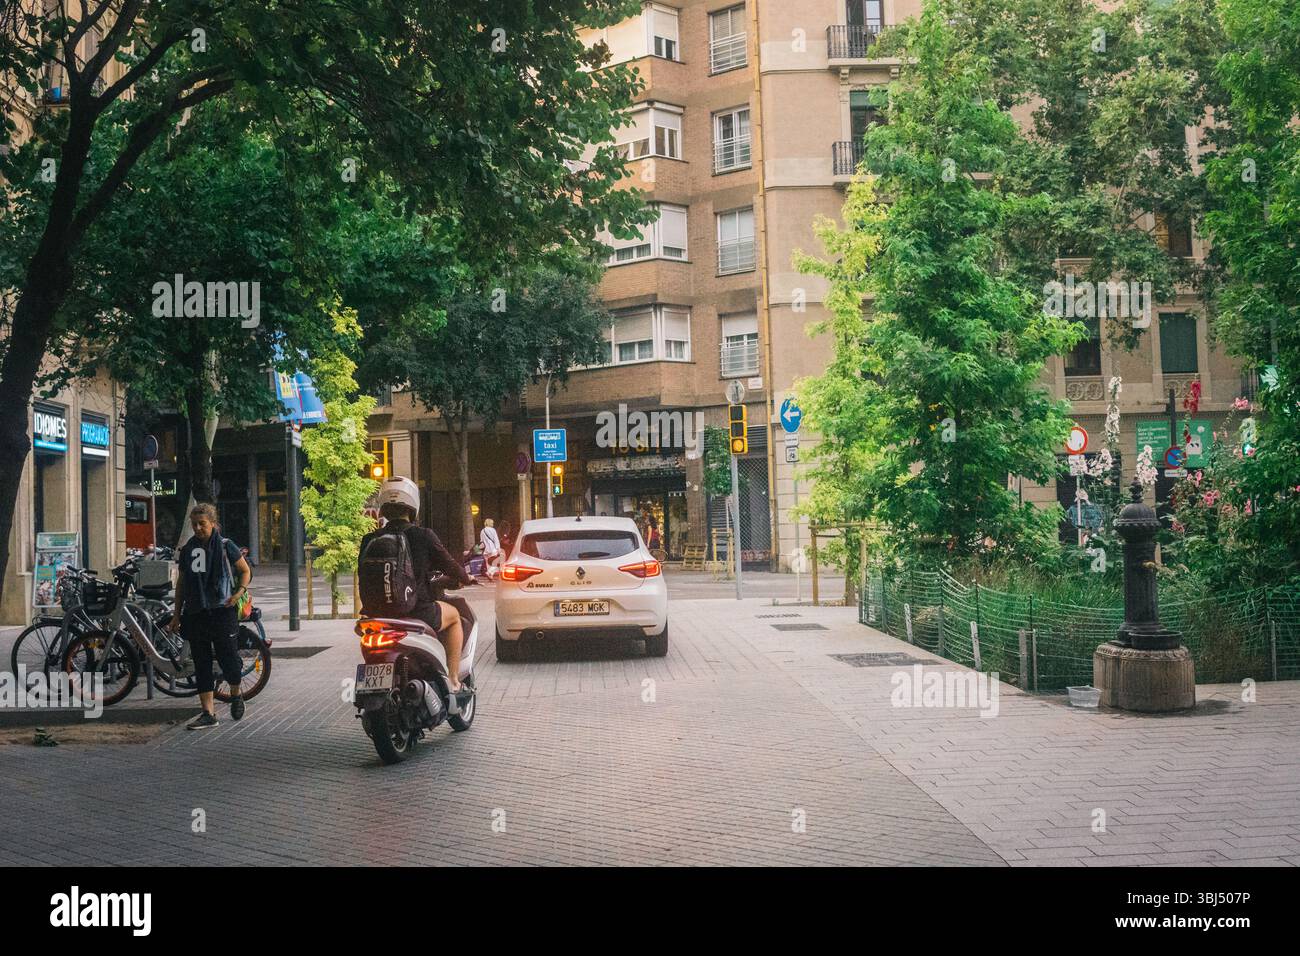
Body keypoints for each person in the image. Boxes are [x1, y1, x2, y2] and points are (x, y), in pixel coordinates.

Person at [358, 477, 475, 694]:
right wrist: (466, 578)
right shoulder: (423, 535)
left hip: (376, 616)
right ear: (413, 506)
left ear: (384, 506)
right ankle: (453, 680)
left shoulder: (369, 539)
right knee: (455, 618)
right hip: (416, 610)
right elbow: (450, 565)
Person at [169, 503, 252, 730]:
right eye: (194, 524)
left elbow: (245, 570)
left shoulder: (226, 546)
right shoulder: (188, 550)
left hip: (222, 611)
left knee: (229, 659)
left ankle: (236, 695)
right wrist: (176, 614)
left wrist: (238, 593)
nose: (197, 528)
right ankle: (208, 713)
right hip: (196, 613)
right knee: (202, 663)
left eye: (202, 524)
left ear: (213, 524)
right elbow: (182, 584)